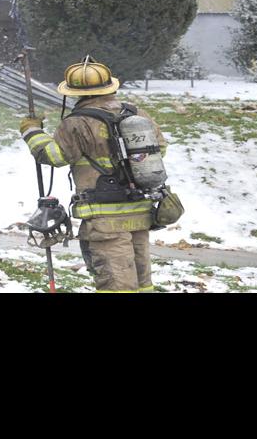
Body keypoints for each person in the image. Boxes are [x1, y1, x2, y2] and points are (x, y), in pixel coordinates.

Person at [19, 58, 170, 293]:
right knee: (142, 280)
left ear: (73, 93)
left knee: (115, 282)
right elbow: (160, 149)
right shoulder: (136, 114)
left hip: (104, 217)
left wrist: (32, 131)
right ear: (110, 87)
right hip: (141, 210)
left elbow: (54, 157)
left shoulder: (76, 123)